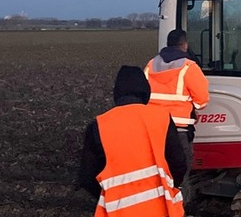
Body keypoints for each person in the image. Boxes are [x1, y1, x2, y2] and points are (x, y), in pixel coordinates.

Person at [77, 66, 187, 217]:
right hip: (162, 209)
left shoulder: (98, 126)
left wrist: (111, 196)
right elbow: (179, 164)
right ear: (146, 90)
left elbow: (87, 177)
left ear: (117, 92)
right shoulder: (161, 118)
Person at [144, 28, 210, 200]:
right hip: (179, 131)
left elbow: (142, 95)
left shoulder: (151, 65)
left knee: (156, 175)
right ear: (185, 45)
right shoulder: (189, 67)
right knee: (179, 177)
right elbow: (201, 102)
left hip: (153, 130)